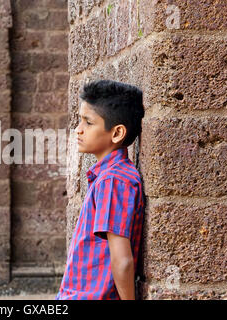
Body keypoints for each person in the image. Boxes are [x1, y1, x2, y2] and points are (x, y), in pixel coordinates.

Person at [56, 79, 145, 300]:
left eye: (88, 122)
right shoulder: (107, 177)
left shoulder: (114, 180)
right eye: (80, 121)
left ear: (116, 133)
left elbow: (122, 259)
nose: (78, 130)